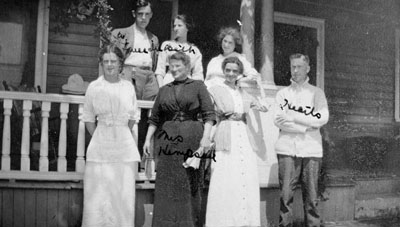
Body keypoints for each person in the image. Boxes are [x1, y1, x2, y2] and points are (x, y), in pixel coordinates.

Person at [143, 52, 216, 227]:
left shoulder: (198, 86)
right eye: (171, 66)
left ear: (187, 66)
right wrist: (147, 140)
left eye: (178, 66)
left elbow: (209, 115)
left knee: (188, 184)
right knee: (167, 185)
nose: (174, 69)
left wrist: (205, 139)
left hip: (192, 140)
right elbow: (154, 119)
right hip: (168, 141)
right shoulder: (164, 89)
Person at [81, 44, 140, 227]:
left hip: (124, 148)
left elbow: (133, 118)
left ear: (120, 63)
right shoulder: (94, 87)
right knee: (99, 196)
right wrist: (102, 135)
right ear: (101, 63)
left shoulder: (128, 87)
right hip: (100, 147)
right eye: (105, 61)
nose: (109, 65)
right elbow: (89, 118)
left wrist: (120, 131)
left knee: (121, 196)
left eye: (113, 61)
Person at [205, 57, 268, 227]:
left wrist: (260, 98)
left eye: (235, 71)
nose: (231, 74)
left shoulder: (242, 92)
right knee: (226, 175)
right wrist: (207, 138)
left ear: (239, 73)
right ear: (223, 71)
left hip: (243, 134)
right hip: (226, 133)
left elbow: (263, 105)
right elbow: (210, 115)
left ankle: (244, 221)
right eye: (228, 70)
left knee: (244, 174)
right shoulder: (215, 90)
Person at [274, 53, 329, 227]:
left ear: (308, 68)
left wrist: (294, 118)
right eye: (293, 67)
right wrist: (307, 126)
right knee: (285, 195)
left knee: (312, 197)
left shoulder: (316, 93)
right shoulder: (283, 94)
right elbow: (278, 120)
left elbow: (322, 117)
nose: (296, 70)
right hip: (287, 149)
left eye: (299, 67)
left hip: (311, 149)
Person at [111, 0, 159, 157]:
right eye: (140, 14)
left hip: (149, 78)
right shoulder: (121, 33)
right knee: (128, 115)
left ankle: (143, 156)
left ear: (151, 15)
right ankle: (123, 155)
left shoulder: (153, 38)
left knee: (150, 116)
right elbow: (114, 59)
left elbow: (155, 62)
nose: (143, 18)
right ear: (134, 14)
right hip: (130, 74)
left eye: (147, 14)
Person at [155, 14, 204, 86]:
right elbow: (160, 70)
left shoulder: (195, 50)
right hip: (169, 82)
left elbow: (198, 75)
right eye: (174, 26)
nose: (176, 28)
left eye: (179, 25)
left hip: (188, 85)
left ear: (187, 27)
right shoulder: (167, 45)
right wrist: (161, 88)